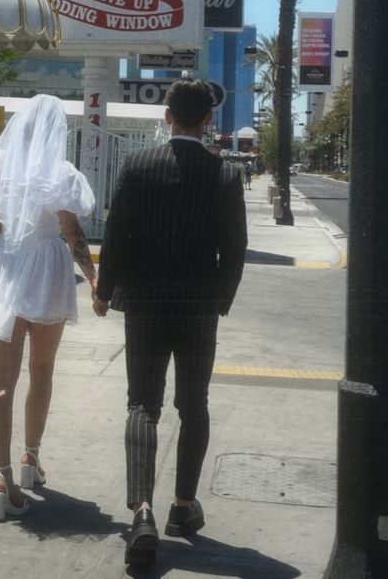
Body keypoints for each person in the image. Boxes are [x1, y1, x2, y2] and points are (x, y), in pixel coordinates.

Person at [93, 78, 247, 566]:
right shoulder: (224, 176)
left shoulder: (138, 167)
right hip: (199, 307)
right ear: (208, 121)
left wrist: (104, 291)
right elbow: (236, 248)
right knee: (194, 404)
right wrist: (219, 299)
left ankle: (141, 511)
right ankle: (182, 507)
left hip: (145, 306)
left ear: (167, 117)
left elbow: (116, 237)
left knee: (142, 403)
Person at [0, 94, 97, 521]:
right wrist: (94, 280)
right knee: (42, 370)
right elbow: (71, 232)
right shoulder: (61, 175)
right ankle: (30, 455)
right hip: (46, 269)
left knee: (3, 376)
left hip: (5, 265)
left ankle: (2, 475)